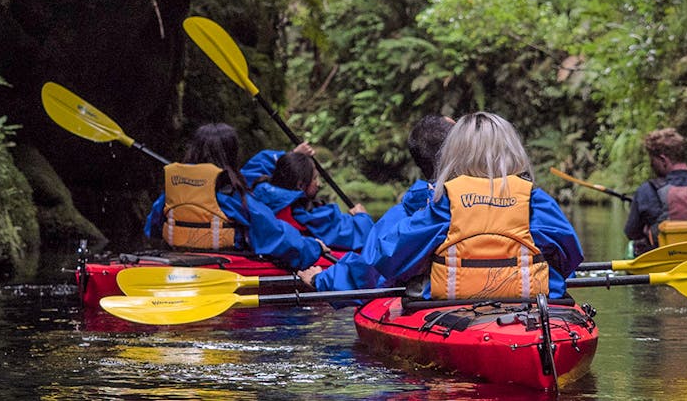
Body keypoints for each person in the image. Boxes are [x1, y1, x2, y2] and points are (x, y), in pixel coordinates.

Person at [306, 111, 583, 301]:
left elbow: (389, 257)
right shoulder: (534, 198)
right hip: (531, 305)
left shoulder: (445, 201)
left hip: (452, 305)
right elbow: (571, 255)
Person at [301, 114, 454, 292]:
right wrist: (321, 279)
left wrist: (320, 279)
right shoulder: (442, 204)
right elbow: (373, 265)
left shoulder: (422, 209)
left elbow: (372, 264)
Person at [142, 123, 325, 270]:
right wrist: (314, 247)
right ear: (232, 155)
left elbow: (152, 229)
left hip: (178, 258)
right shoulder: (234, 198)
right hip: (227, 264)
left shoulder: (172, 194)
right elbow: (275, 236)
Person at [250, 150, 374, 250]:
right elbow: (354, 235)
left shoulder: (261, 194)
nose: (319, 184)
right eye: (315, 178)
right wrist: (362, 217)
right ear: (300, 185)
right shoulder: (302, 215)